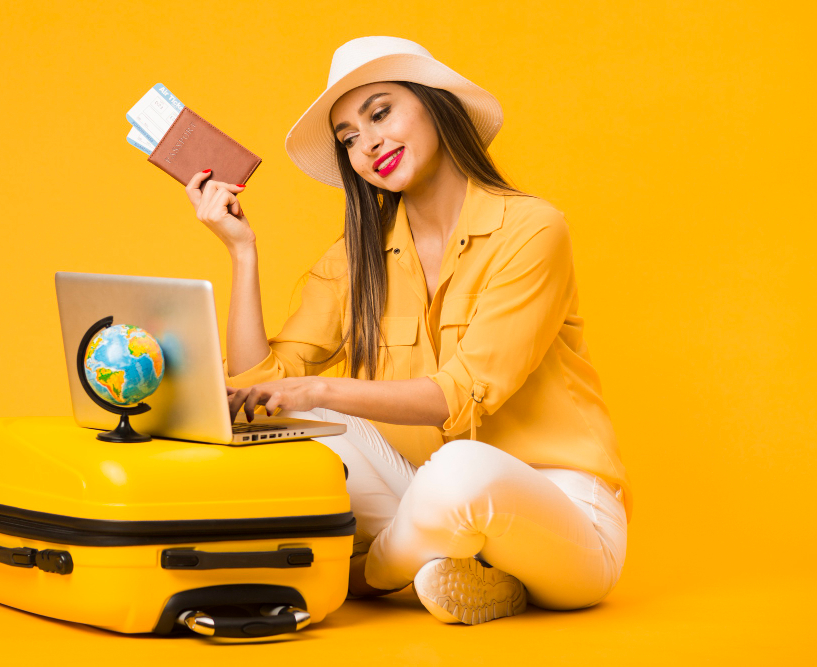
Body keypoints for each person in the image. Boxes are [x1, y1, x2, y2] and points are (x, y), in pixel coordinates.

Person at [183, 36, 631, 625]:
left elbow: (460, 394)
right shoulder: (358, 256)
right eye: (348, 138)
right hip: (421, 496)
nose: (366, 144)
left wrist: (318, 389)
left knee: (460, 468)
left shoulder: (532, 229)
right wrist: (242, 253)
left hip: (562, 517)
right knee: (299, 428)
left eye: (380, 112)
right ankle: (455, 574)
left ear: (435, 106)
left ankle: (363, 577)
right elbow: (263, 386)